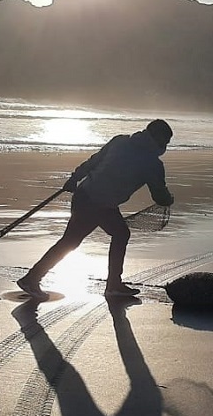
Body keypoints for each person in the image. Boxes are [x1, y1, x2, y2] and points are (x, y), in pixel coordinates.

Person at [17, 119, 175, 301]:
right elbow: (159, 196)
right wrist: (169, 199)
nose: (166, 145)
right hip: (100, 205)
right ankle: (112, 285)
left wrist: (75, 178)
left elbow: (94, 161)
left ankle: (33, 278)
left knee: (74, 241)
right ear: (160, 139)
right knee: (117, 234)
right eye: (166, 141)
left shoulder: (120, 141)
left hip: (84, 195)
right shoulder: (152, 164)